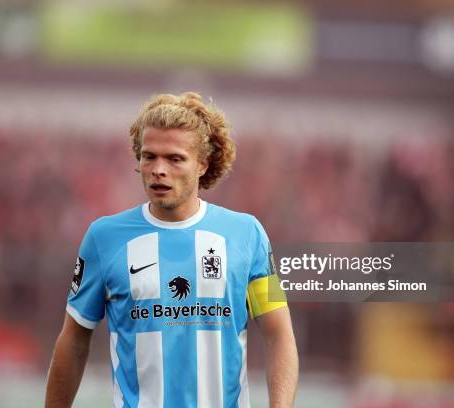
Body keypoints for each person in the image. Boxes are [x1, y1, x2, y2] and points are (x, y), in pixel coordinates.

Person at [45, 92, 298, 408]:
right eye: (149, 156)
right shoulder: (104, 238)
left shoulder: (247, 235)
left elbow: (279, 335)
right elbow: (74, 339)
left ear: (202, 165)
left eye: (175, 158)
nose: (158, 169)